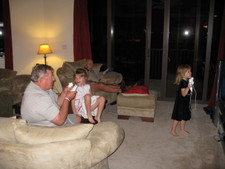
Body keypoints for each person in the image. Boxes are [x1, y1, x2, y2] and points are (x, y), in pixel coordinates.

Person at [170, 64, 193, 136]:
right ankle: (172, 130)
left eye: (190, 71)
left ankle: (182, 129)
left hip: (186, 102)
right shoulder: (182, 82)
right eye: (188, 72)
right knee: (178, 117)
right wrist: (188, 87)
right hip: (181, 103)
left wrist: (190, 86)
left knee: (184, 116)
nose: (190, 73)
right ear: (183, 73)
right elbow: (183, 94)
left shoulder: (186, 81)